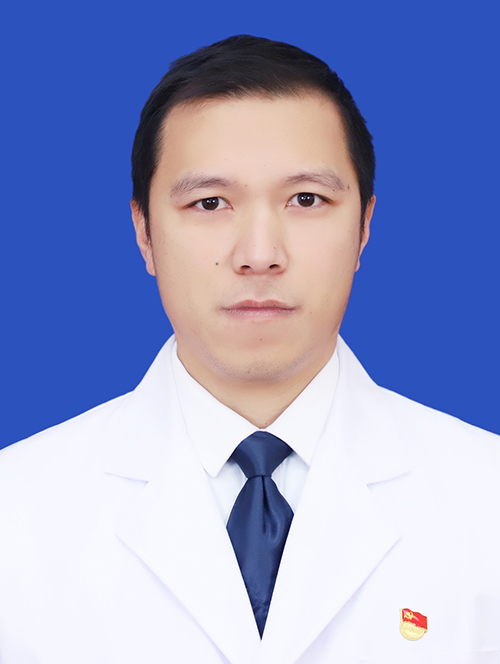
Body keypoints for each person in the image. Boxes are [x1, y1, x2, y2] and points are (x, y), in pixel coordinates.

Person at [0, 34, 499, 664]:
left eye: (306, 200)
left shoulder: (487, 499)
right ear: (144, 233)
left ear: (364, 227)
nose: (259, 254)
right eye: (210, 203)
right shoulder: (14, 513)